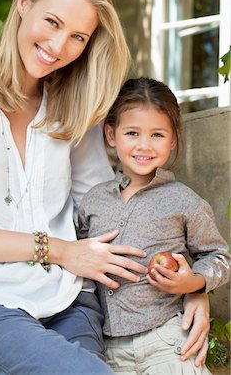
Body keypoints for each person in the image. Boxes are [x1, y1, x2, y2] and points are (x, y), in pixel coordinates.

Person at [0, 0, 210, 375]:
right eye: (53, 22)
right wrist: (59, 250)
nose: (59, 48)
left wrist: (193, 287)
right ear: (24, 2)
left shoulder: (71, 110)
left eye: (78, 37)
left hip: (68, 299)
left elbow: (108, 215)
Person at [78, 77, 230, 375]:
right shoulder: (93, 201)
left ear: (173, 138)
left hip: (168, 338)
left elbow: (220, 257)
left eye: (157, 135)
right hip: (107, 349)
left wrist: (194, 284)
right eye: (132, 133)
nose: (144, 145)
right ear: (111, 134)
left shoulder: (184, 200)